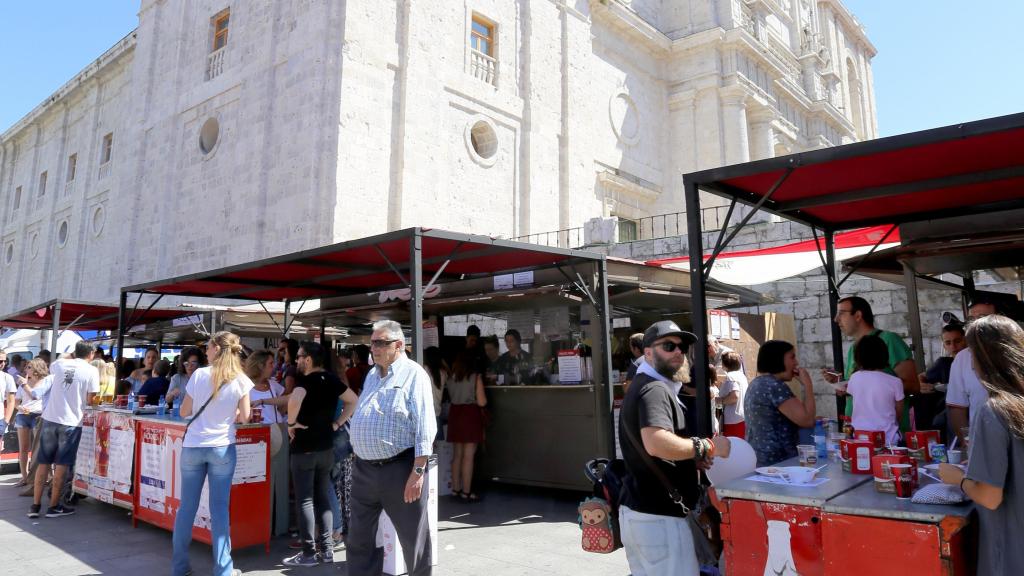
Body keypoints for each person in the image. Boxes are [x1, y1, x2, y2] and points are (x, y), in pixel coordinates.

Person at [618, 320, 731, 576]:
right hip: (658, 516)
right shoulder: (654, 389)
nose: (679, 352)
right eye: (669, 346)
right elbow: (656, 442)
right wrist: (708, 446)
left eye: (682, 347)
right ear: (647, 352)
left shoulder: (649, 385)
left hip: (646, 513)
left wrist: (689, 458)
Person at [348, 320, 436, 576]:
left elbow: (425, 428)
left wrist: (417, 473)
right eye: (372, 342)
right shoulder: (372, 374)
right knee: (359, 540)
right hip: (364, 469)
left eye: (380, 343)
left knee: (414, 541)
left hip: (399, 470)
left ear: (398, 345)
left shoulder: (414, 374)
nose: (373, 348)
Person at [938, 315, 1024, 574]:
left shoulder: (993, 411)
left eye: (971, 352)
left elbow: (989, 496)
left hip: (1009, 552)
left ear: (985, 357)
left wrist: (958, 479)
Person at [172, 333, 252, 576]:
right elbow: (246, 417)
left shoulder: (199, 375)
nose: (205, 352)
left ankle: (180, 568)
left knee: (187, 507)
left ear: (216, 348)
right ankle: (223, 569)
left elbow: (185, 412)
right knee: (219, 509)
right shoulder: (241, 379)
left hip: (194, 446)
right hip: (222, 447)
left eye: (207, 347)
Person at [283, 341, 358, 567]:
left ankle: (308, 553)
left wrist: (291, 423)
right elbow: (353, 400)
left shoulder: (304, 381)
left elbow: (294, 399)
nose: (296, 360)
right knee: (323, 498)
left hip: (304, 447)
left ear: (308, 359)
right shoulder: (332, 379)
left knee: (305, 500)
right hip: (326, 447)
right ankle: (326, 550)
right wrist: (337, 424)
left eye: (299, 357)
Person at [824, 296, 916, 429]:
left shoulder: (889, 340)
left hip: (889, 436)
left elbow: (913, 385)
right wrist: (842, 383)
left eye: (841, 313)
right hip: (857, 432)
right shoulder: (853, 349)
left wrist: (874, 383)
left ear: (858, 315)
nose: (836, 319)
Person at [30, 341, 99, 519]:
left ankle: (35, 506)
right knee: (62, 465)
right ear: (91, 354)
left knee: (43, 462)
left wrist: (72, 355)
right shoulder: (92, 370)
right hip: (71, 422)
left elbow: (59, 362)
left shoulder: (60, 364)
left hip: (50, 418)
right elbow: (92, 399)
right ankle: (53, 507)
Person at [744, 340, 816, 467]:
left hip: (760, 459)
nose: (796, 363)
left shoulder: (756, 383)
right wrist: (808, 385)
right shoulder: (774, 386)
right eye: (792, 357)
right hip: (779, 462)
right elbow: (807, 420)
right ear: (777, 359)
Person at [947, 297, 998, 444]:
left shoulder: (1017, 352)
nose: (976, 324)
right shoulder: (963, 358)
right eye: (971, 319)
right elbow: (957, 406)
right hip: (982, 442)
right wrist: (967, 442)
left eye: (982, 318)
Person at [846, 334, 904, 445]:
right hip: (888, 439)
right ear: (885, 355)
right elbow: (898, 414)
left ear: (858, 357)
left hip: (859, 438)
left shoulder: (854, 378)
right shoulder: (895, 382)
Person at [446, 350, 487, 502]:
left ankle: (455, 489)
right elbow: (482, 402)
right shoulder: (475, 377)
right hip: (470, 414)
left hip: (455, 414)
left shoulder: (451, 377)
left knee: (457, 455)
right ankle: (467, 492)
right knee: (468, 456)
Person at [916, 323, 965, 436]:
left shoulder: (975, 362)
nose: (953, 346)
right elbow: (921, 377)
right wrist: (921, 385)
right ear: (944, 346)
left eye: (957, 341)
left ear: (965, 340)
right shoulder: (944, 364)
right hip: (950, 418)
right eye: (948, 343)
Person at [14, 358, 48, 485]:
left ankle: (39, 478)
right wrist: (20, 407)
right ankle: (25, 477)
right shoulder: (24, 383)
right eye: (26, 367)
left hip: (39, 416)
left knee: (38, 449)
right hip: (23, 415)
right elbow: (16, 403)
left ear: (36, 369)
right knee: (23, 448)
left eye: (28, 367)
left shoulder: (44, 383)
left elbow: (37, 396)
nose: (25, 369)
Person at [717, 351, 748, 438]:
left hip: (733, 419)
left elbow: (734, 396)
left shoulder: (731, 376)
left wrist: (718, 400)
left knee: (732, 446)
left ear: (725, 364)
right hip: (743, 417)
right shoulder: (742, 376)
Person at [422, 346, 448, 425]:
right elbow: (450, 375)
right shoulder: (443, 373)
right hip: (437, 412)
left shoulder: (423, 369)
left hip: (425, 413)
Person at [0, 351, 15, 446]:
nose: (2, 364)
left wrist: (6, 421)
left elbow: (11, 401)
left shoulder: (7, 377)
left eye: (5, 361)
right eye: (0, 361)